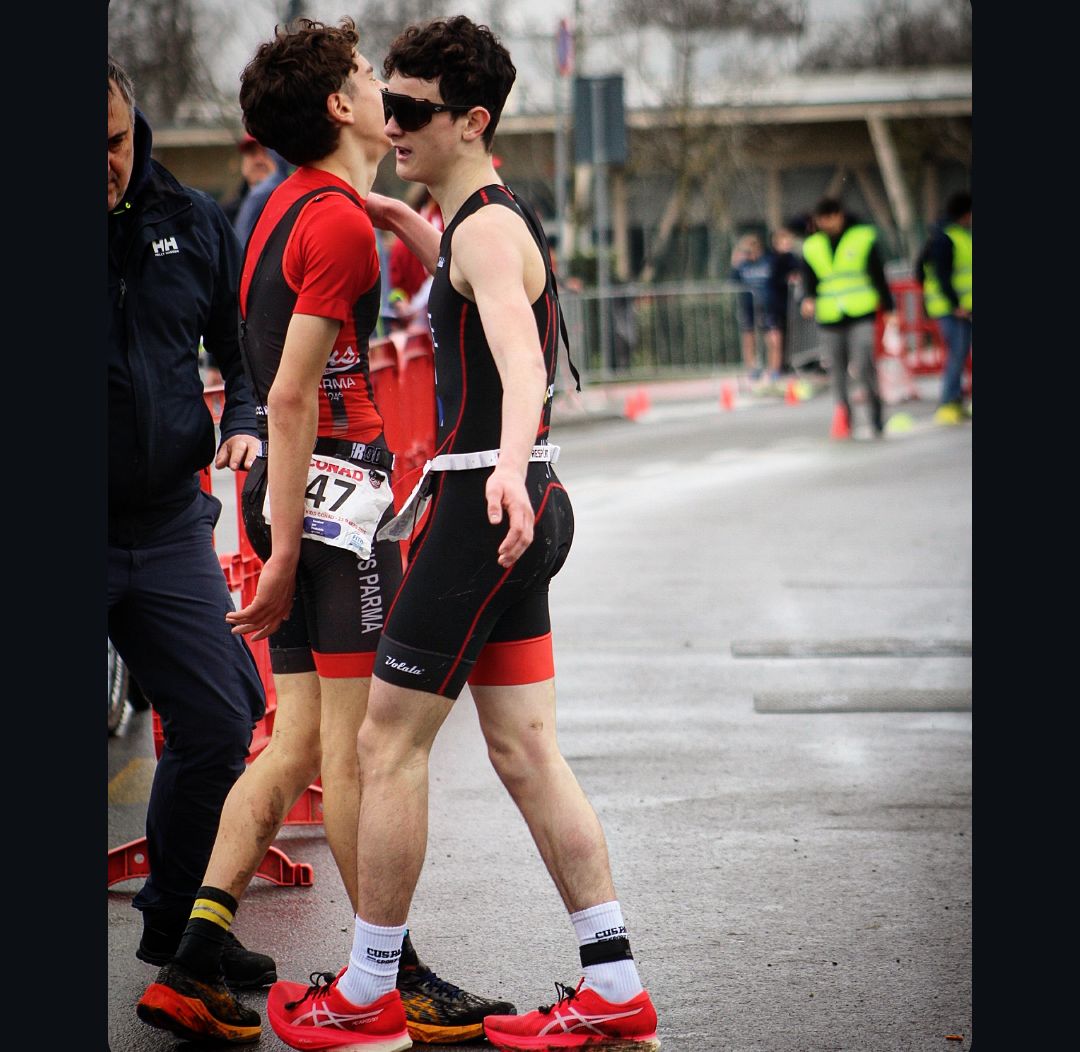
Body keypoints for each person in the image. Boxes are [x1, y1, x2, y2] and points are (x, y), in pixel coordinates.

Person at [261, 16, 660, 1052]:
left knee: (384, 743)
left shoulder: (483, 231)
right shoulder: (487, 221)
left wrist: (510, 473)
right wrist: (415, 228)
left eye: (410, 108)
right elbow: (487, 297)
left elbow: (521, 362)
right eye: (386, 101)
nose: (390, 121)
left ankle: (368, 989)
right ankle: (614, 984)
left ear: (472, 120)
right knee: (526, 751)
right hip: (522, 502)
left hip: (488, 505)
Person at [135, 18, 513, 1047]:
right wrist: (292, 543)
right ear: (343, 107)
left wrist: (277, 522)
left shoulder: (289, 203)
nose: (386, 89)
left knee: (297, 741)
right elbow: (292, 393)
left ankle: (192, 958)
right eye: (366, 76)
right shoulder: (336, 223)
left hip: (300, 497)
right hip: (333, 510)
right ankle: (392, 973)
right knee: (356, 752)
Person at [107, 54, 275, 992]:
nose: (103, 165)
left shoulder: (192, 219)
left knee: (221, 719)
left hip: (171, 521)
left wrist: (244, 420)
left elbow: (240, 353)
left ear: (136, 129)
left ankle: (178, 926)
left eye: (113, 143)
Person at [799, 197, 897, 437]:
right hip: (830, 317)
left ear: (840, 216)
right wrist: (808, 298)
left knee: (864, 364)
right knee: (837, 371)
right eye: (822, 219)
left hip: (860, 313)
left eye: (830, 218)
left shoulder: (862, 237)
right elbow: (809, 279)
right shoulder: (812, 245)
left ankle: (875, 415)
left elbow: (878, 275)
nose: (827, 223)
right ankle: (845, 418)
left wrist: (889, 308)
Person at [916, 190, 972, 424]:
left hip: (959, 307)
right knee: (956, 355)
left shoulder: (952, 235)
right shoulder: (946, 238)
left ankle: (956, 400)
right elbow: (941, 274)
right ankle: (949, 402)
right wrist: (954, 304)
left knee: (960, 354)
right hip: (951, 309)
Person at [232, 132, 291, 247]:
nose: (259, 160)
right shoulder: (225, 214)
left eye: (266, 152)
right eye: (252, 153)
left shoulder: (294, 204)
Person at [729, 232, 773, 384]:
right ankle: (751, 369)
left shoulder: (767, 262)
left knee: (770, 337)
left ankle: (772, 369)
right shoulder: (742, 265)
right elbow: (732, 281)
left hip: (766, 305)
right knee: (748, 337)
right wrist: (735, 261)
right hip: (747, 306)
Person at [766, 226, 801, 376]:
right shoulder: (772, 259)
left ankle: (784, 365)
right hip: (774, 304)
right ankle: (774, 368)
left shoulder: (793, 259)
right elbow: (774, 280)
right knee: (775, 339)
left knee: (788, 337)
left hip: (789, 305)